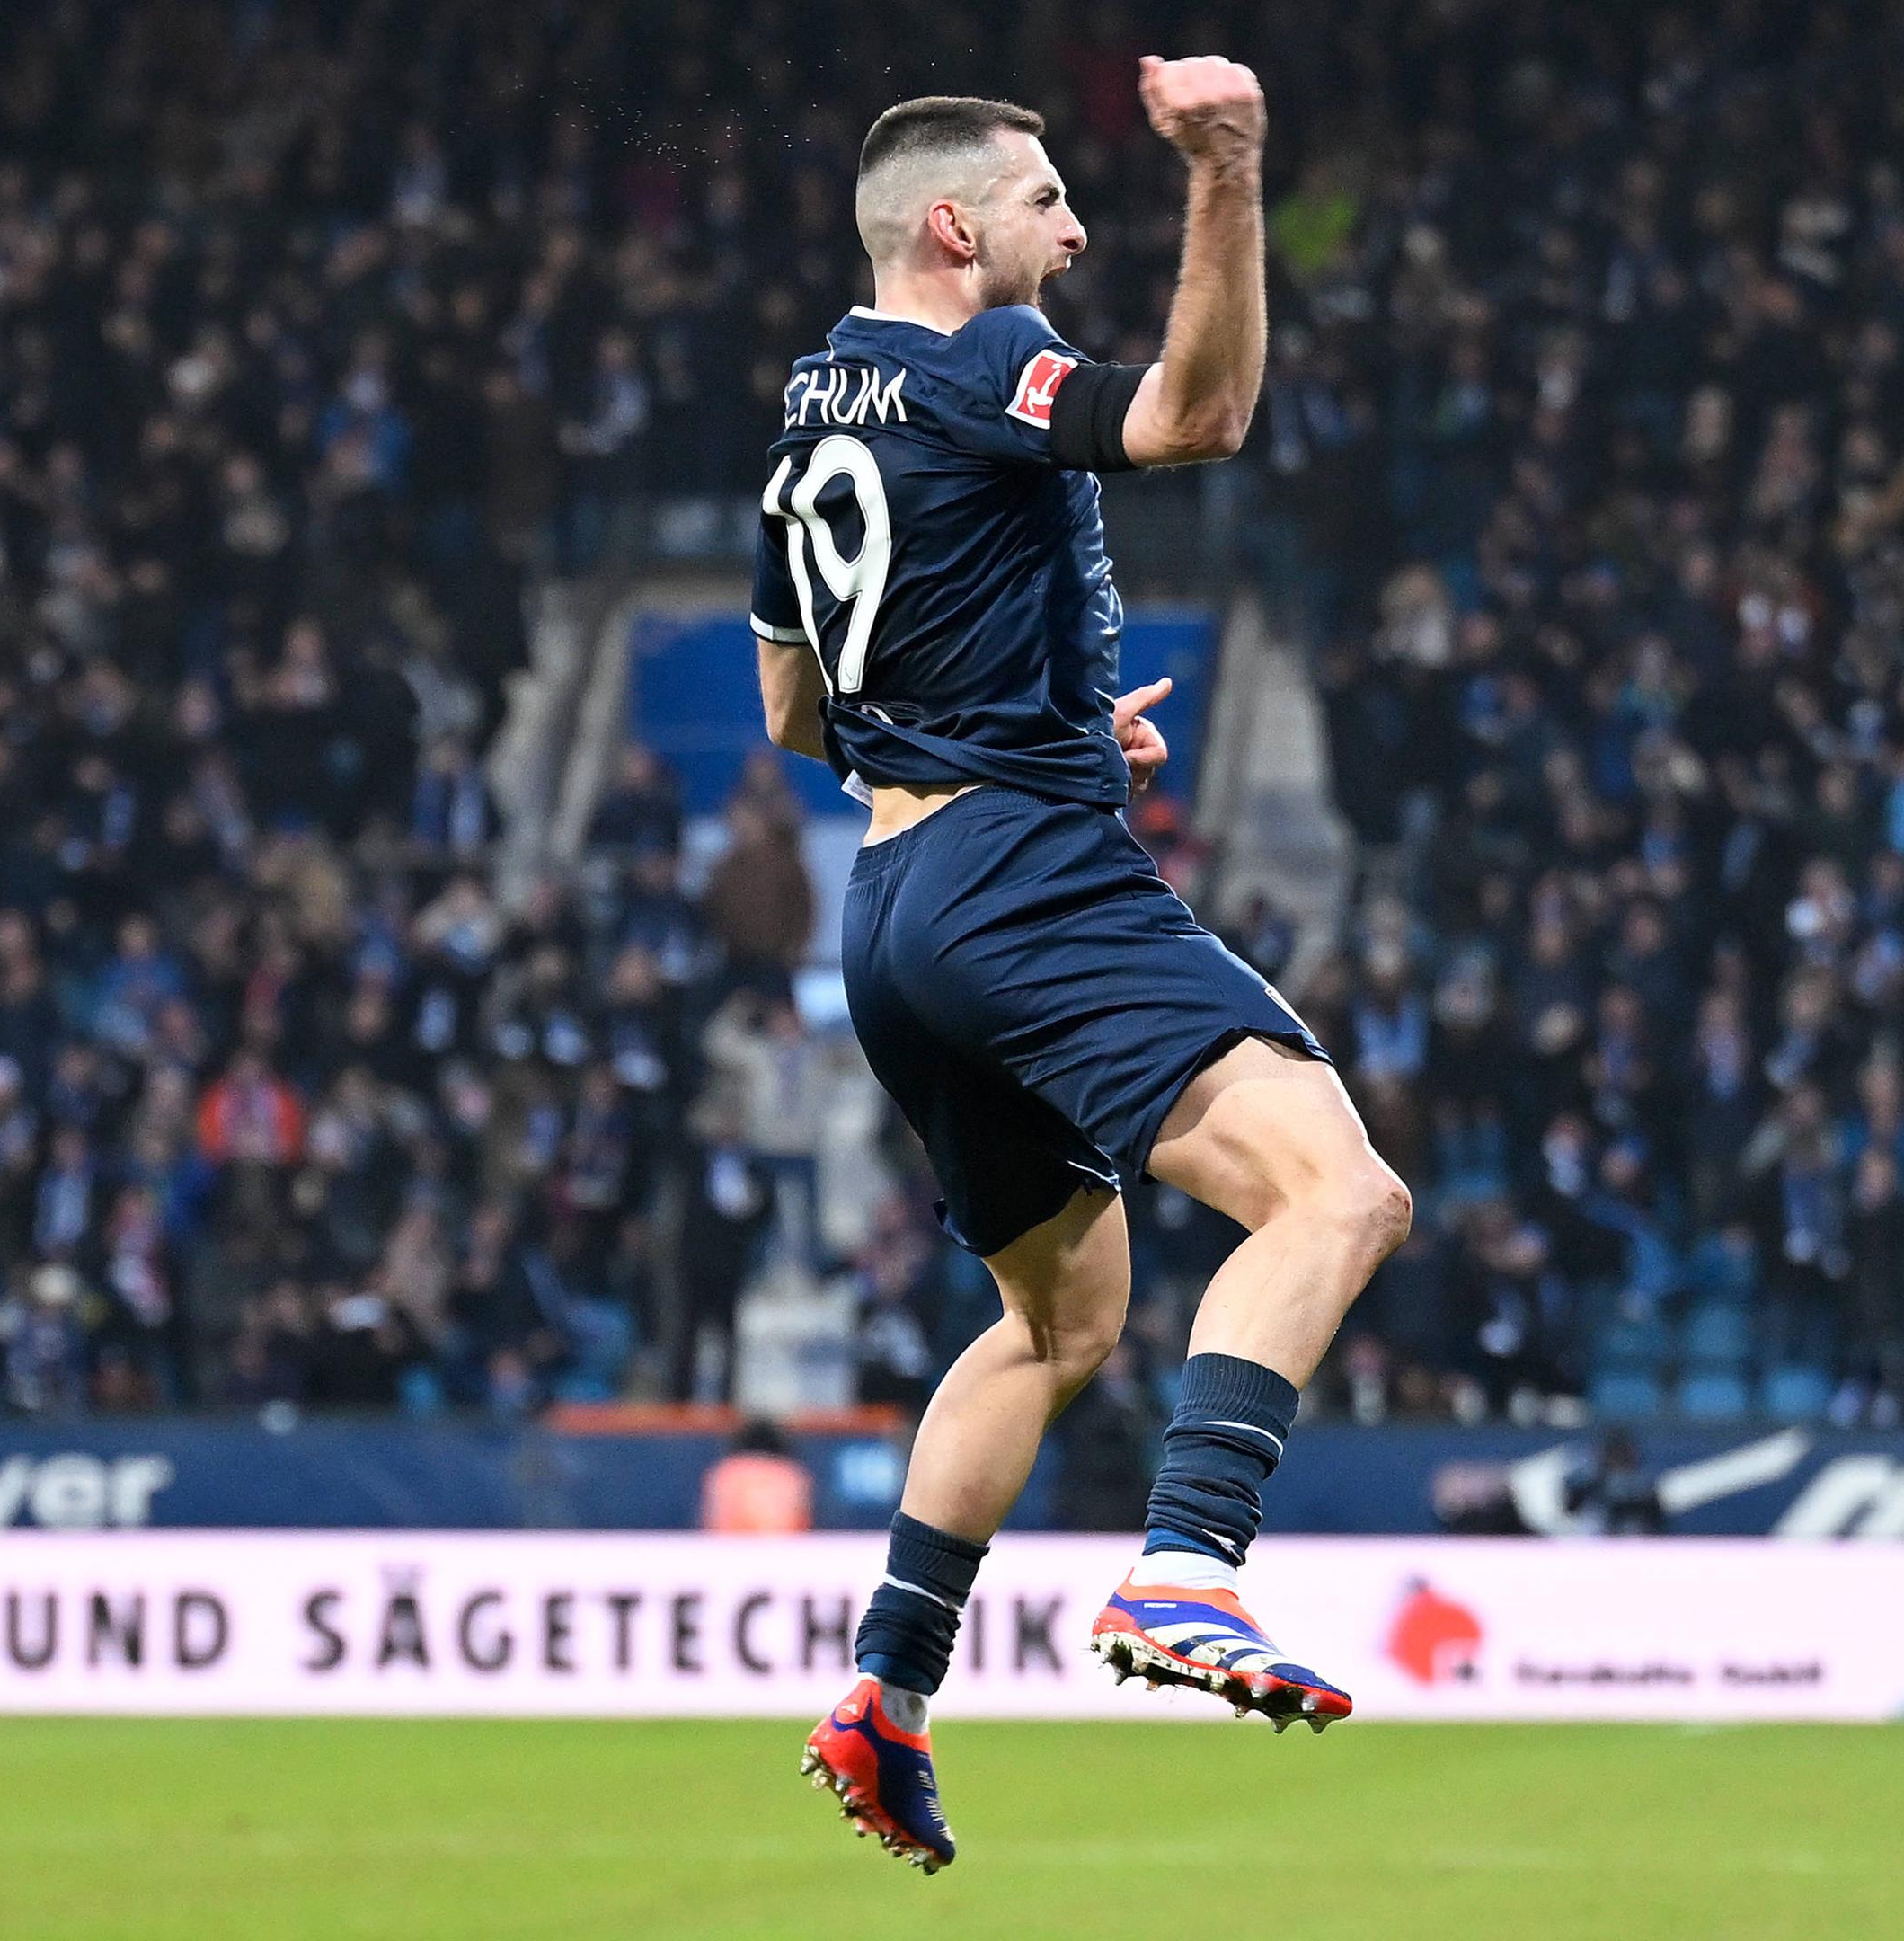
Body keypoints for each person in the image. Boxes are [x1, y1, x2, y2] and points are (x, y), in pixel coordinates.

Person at [778, 72, 1413, 1874]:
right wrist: (1228, 166)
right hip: (1020, 874)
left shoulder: (805, 420)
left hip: (893, 904)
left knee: (1056, 1323)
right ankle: (1186, 1568)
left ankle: (886, 1693)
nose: (1076, 230)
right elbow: (1199, 414)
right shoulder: (978, 359)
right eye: (1051, 202)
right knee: (1340, 1193)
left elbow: (792, 705)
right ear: (956, 231)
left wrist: (1031, 720)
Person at [700, 1418, 816, 1533]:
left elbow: (710, 1520)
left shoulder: (724, 1474)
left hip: (736, 1547)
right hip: (773, 1547)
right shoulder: (792, 1475)